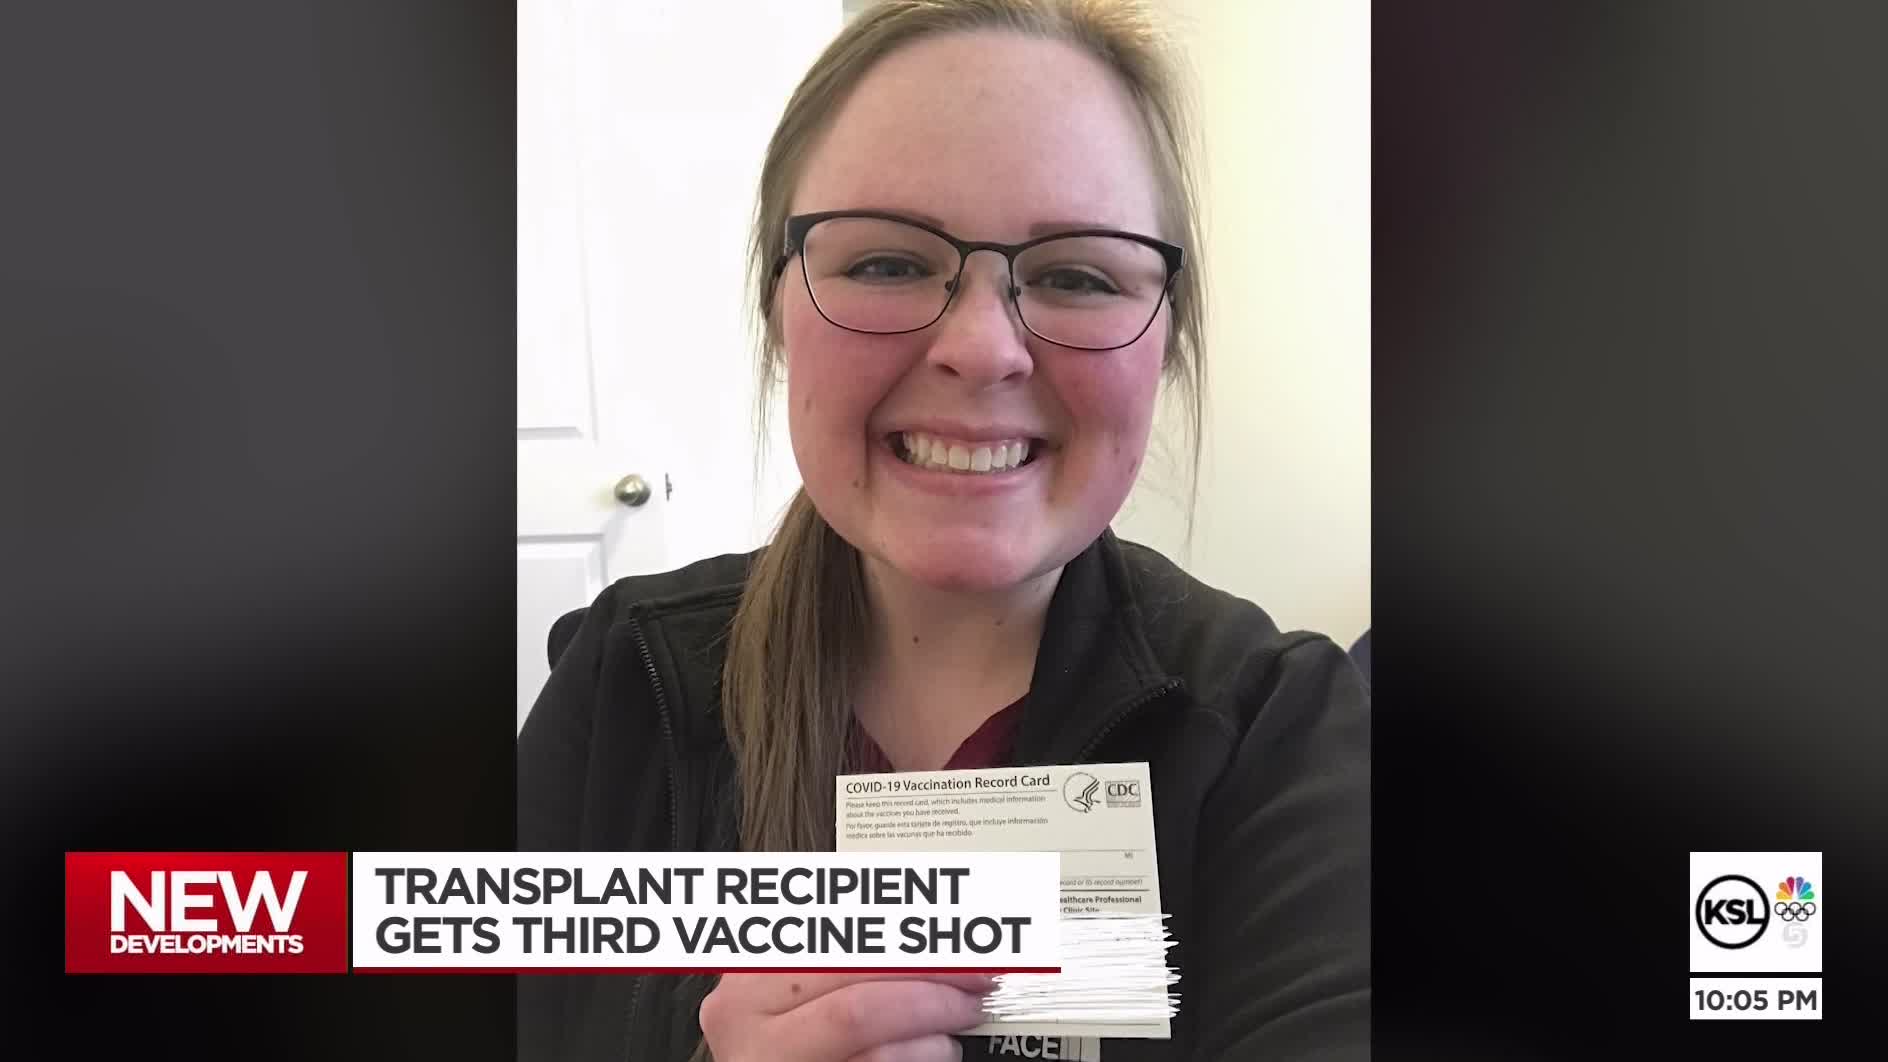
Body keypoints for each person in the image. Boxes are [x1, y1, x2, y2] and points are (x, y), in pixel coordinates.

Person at [517, 1, 1369, 1059]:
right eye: (886, 263)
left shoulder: (1278, 730)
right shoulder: (626, 679)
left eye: (1076, 275)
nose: (982, 348)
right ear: (776, 317)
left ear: (1167, 345)